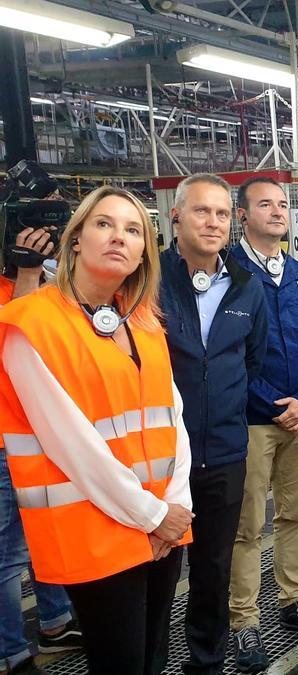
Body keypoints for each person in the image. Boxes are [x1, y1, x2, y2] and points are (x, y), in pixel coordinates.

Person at [0, 186, 194, 673]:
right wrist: (152, 515)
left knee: (152, 658)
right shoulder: (31, 324)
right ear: (76, 240)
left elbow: (173, 416)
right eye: (104, 224)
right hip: (96, 531)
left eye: (133, 231)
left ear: (143, 254)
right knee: (120, 663)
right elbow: (71, 444)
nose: (119, 238)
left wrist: (178, 506)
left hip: (162, 524)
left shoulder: (145, 320)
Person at [158, 174, 267, 675]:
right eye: (202, 211)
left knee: (213, 568)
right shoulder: (149, 281)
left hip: (224, 451)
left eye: (222, 214)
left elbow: (251, 358)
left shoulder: (247, 287)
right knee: (155, 572)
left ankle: (206, 663)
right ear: (175, 215)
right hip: (160, 457)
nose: (213, 222)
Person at [228, 177, 298, 672]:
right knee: (246, 526)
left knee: (295, 515)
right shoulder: (229, 276)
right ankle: (244, 622)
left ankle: (293, 599)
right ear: (242, 216)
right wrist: (276, 405)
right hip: (253, 421)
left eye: (283, 204)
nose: (277, 212)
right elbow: (228, 358)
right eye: (265, 204)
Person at [0, 228, 84, 674]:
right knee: (7, 553)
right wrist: (28, 274)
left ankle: (55, 622)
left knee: (45, 537)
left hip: (40, 435)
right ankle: (9, 652)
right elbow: (16, 347)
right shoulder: (22, 285)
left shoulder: (34, 282)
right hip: (4, 440)